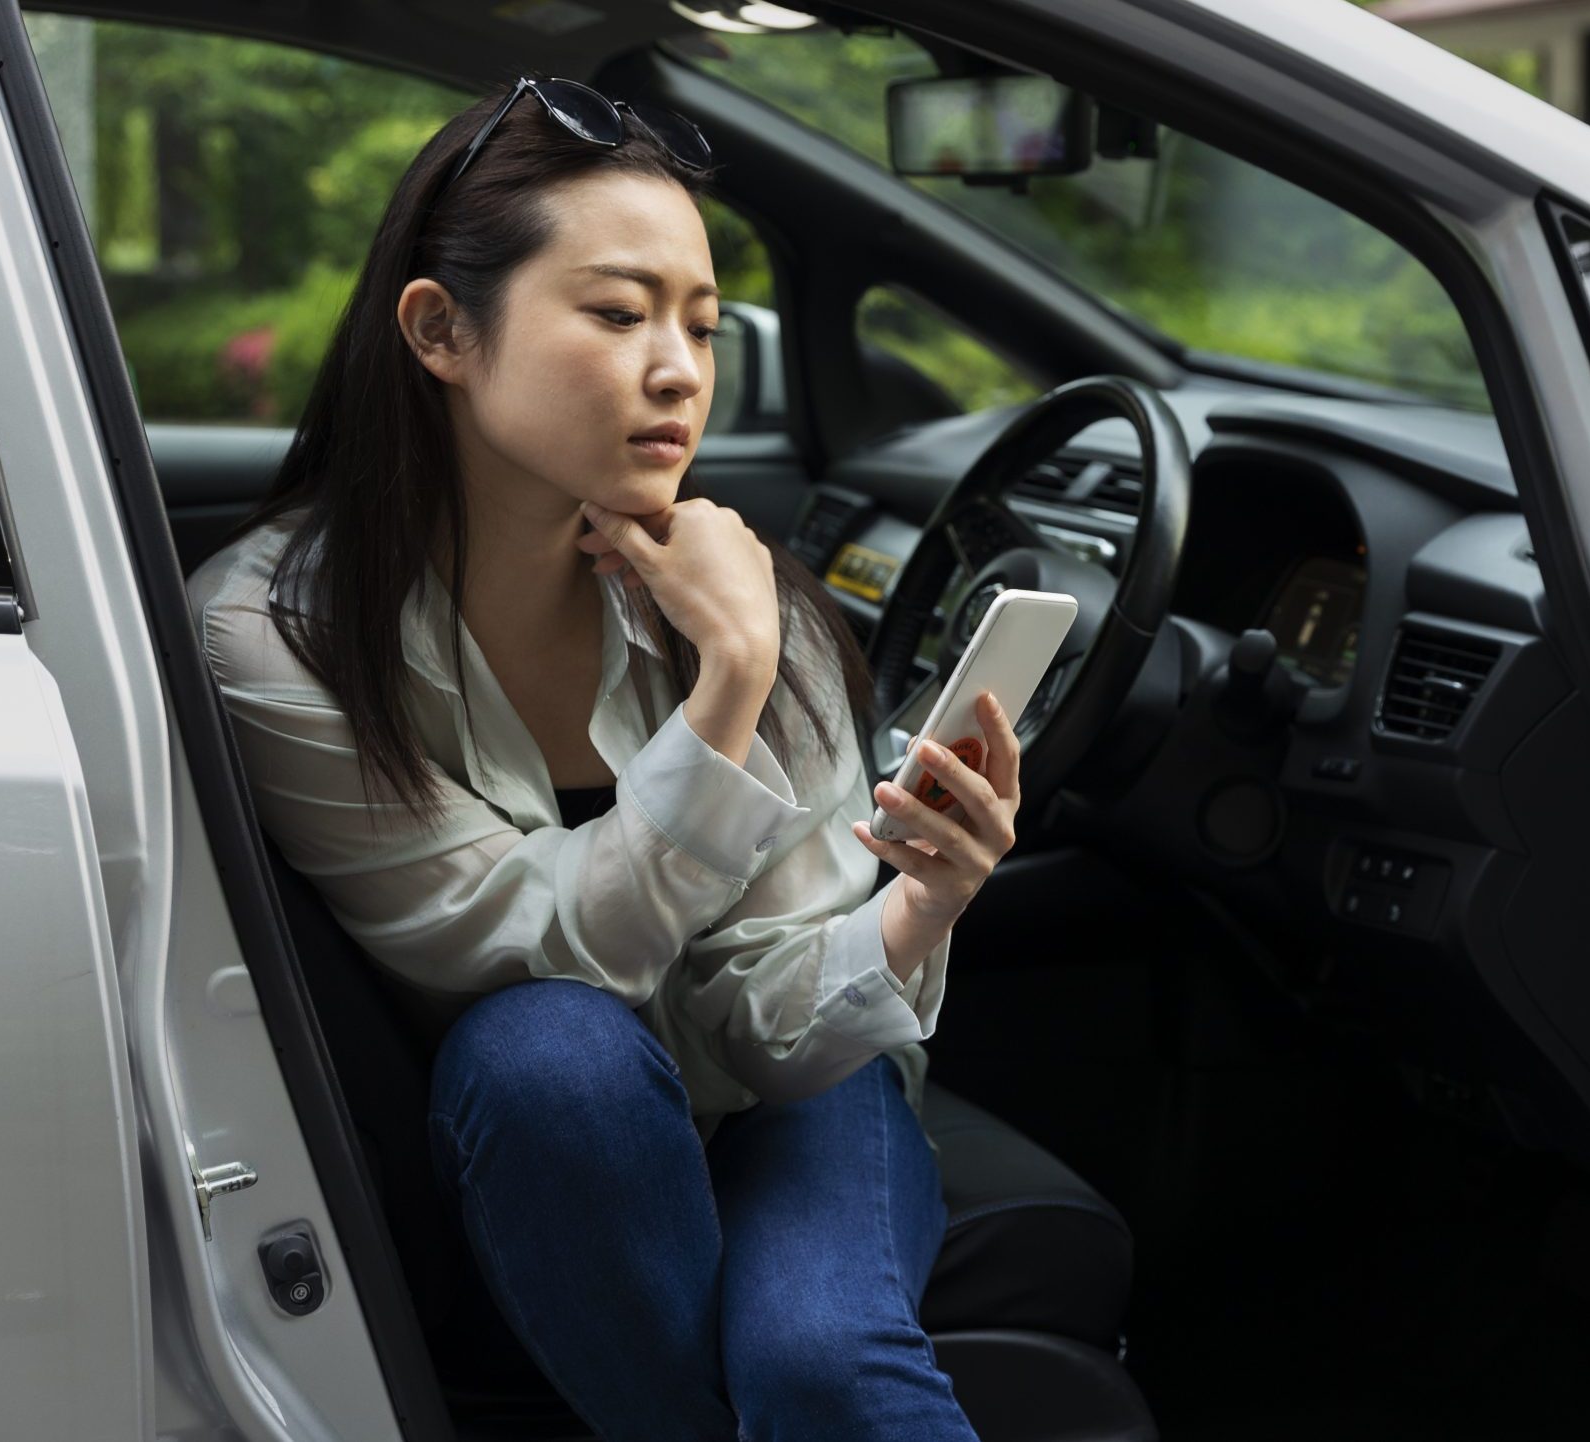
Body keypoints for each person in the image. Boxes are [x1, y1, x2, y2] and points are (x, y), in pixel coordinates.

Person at [183, 76, 1014, 1442]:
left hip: (786, 1088)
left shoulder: (749, 590)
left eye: (698, 320)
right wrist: (727, 688)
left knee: (817, 1360)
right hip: (560, 1131)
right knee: (547, 1049)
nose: (681, 367)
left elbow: (772, 1016)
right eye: (620, 314)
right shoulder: (277, 633)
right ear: (442, 329)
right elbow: (527, 954)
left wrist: (922, 902)